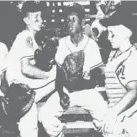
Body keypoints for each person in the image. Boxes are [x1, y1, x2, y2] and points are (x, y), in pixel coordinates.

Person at [39, 3, 108, 137]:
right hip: (66, 92)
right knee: (45, 114)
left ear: (82, 23)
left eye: (73, 19)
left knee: (104, 115)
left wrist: (81, 79)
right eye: (67, 20)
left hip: (87, 92)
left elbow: (96, 78)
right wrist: (61, 93)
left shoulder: (91, 45)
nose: (69, 23)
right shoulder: (61, 44)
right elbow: (59, 77)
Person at [6, 1, 56, 137]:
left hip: (24, 88)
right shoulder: (25, 36)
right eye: (36, 18)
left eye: (41, 17)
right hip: (20, 89)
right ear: (26, 20)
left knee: (30, 126)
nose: (40, 21)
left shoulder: (30, 38)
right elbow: (26, 69)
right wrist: (47, 74)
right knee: (58, 75)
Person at [97, 10, 137, 137]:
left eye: (112, 34)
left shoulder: (131, 57)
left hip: (129, 116)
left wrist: (113, 113)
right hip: (117, 111)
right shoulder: (115, 53)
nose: (108, 38)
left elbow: (133, 91)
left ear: (126, 33)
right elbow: (113, 73)